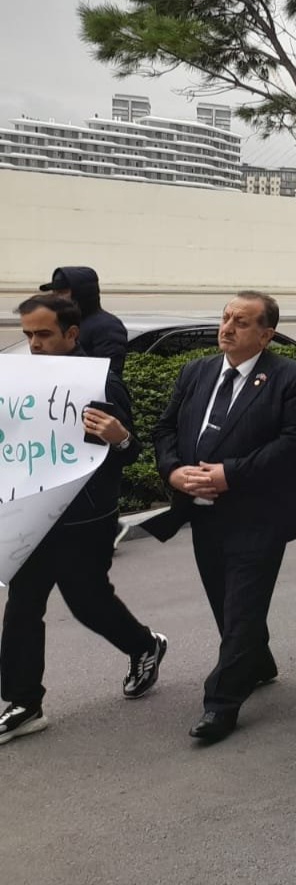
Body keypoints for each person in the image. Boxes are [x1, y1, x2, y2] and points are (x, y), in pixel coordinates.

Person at [0, 295, 167, 747]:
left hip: (85, 518)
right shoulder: (16, 378)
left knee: (88, 601)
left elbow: (130, 452)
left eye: (44, 334)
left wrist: (120, 436)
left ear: (72, 334)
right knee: (23, 604)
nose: (34, 343)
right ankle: (23, 702)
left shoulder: (98, 381)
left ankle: (143, 646)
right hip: (30, 513)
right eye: (28, 334)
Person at [149, 292, 296, 744]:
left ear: (265, 334)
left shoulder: (291, 378)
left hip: (259, 516)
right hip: (204, 514)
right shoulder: (196, 371)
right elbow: (164, 429)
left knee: (242, 608)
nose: (227, 328)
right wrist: (174, 471)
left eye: (241, 323)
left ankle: (220, 704)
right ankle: (257, 663)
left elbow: (291, 444)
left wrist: (230, 475)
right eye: (225, 318)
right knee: (226, 602)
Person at [41, 266, 127, 375]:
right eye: (54, 292)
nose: (56, 297)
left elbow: (108, 373)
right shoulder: (64, 322)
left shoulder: (107, 326)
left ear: (81, 293)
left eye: (62, 292)